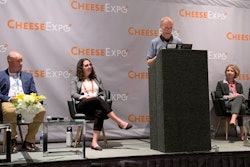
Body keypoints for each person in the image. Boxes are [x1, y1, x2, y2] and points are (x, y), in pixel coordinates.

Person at [70, 58, 133, 151]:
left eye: (90, 64)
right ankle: (119, 122)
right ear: (81, 68)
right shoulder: (75, 79)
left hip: (96, 104)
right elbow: (73, 94)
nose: (89, 67)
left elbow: (103, 93)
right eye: (86, 65)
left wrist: (99, 98)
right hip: (83, 105)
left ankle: (94, 142)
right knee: (97, 99)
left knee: (99, 110)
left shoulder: (96, 79)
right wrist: (84, 97)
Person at [0, 51, 45, 153]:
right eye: (18, 61)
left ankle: (29, 141)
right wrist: (8, 98)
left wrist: (32, 99)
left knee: (41, 111)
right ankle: (12, 140)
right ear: (10, 62)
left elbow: (33, 92)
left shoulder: (28, 76)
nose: (21, 63)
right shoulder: (1, 75)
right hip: (9, 101)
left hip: (25, 102)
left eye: (22, 61)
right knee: (10, 111)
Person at [215, 64, 245, 140]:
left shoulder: (239, 85)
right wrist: (230, 96)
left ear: (235, 73)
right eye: (228, 70)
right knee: (241, 104)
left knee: (241, 104)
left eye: (232, 71)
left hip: (236, 104)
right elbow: (218, 95)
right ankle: (242, 133)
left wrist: (237, 96)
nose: (229, 72)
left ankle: (233, 119)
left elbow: (243, 96)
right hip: (226, 104)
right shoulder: (221, 83)